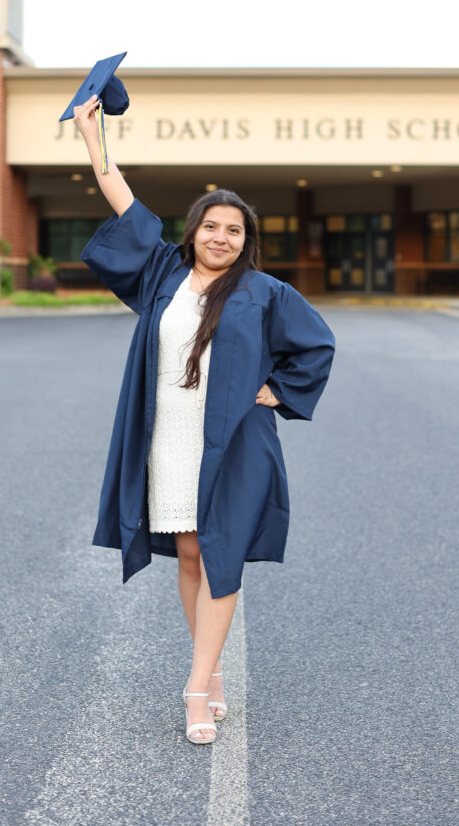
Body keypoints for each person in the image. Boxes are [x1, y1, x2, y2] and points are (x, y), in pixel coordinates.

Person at [74, 93, 335, 745]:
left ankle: (195, 687)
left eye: (235, 230)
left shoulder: (264, 292)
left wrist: (273, 394)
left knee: (220, 556)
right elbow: (119, 196)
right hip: (169, 436)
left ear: (246, 242)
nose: (221, 237)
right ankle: (212, 672)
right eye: (211, 226)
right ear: (193, 231)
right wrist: (92, 134)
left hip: (234, 443)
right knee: (188, 551)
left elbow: (316, 344)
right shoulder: (162, 270)